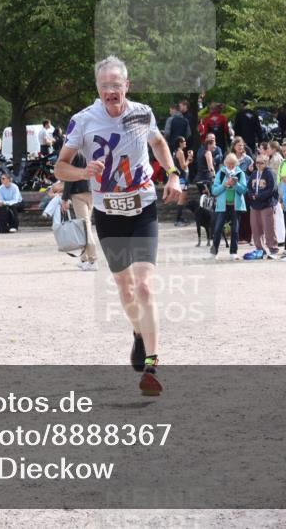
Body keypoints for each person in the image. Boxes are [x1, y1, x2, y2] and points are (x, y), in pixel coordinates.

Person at [53, 55, 182, 397]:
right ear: (97, 89)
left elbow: (158, 143)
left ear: (128, 85)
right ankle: (139, 334)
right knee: (125, 289)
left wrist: (172, 174)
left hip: (143, 209)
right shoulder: (82, 121)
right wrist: (83, 173)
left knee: (144, 287)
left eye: (116, 84)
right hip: (108, 214)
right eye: (104, 85)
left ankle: (152, 365)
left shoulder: (142, 113)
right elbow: (59, 168)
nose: (111, 91)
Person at [61, 152, 98, 270]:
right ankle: (84, 259)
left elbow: (69, 177)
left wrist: (65, 198)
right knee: (84, 226)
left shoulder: (73, 153)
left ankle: (93, 260)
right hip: (91, 190)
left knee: (85, 227)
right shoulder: (89, 149)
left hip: (78, 193)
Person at [207, 154, 247, 260]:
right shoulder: (220, 173)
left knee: (235, 230)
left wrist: (235, 184)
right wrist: (224, 185)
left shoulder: (240, 173)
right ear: (225, 163)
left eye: (233, 164)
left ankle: (233, 253)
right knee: (217, 229)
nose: (230, 165)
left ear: (236, 164)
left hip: (236, 206)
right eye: (228, 163)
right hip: (222, 206)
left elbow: (243, 190)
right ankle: (213, 253)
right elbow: (214, 191)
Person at [245, 154, 278, 259]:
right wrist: (251, 196)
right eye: (257, 162)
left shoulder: (270, 173)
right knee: (255, 228)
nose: (258, 165)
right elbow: (249, 187)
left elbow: (271, 189)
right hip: (255, 205)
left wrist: (259, 197)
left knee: (269, 228)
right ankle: (260, 249)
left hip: (266, 204)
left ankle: (273, 249)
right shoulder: (254, 173)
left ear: (266, 163)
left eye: (261, 163)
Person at [172, 136, 190, 226]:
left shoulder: (175, 151)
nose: (185, 142)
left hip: (179, 177)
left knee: (182, 197)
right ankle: (178, 219)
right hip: (182, 177)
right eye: (184, 141)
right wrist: (189, 159)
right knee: (182, 198)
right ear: (180, 143)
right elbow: (183, 166)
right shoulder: (180, 152)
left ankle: (180, 217)